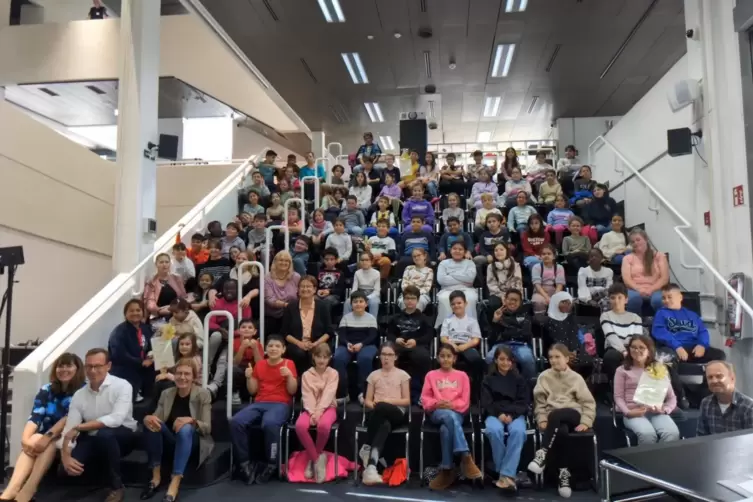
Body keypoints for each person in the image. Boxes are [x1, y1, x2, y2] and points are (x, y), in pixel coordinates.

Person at [2, 353, 85, 502]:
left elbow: (69, 419)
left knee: (49, 442)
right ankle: (11, 490)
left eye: (69, 365)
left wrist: (47, 437)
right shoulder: (47, 389)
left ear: (77, 369)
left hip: (71, 437)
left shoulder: (83, 390)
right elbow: (35, 416)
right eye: (61, 365)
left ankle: (28, 490)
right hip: (47, 435)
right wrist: (25, 439)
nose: (64, 369)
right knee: (34, 438)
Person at [61, 348, 138, 502]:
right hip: (93, 437)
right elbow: (70, 427)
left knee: (105, 434)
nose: (93, 370)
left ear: (108, 366)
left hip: (123, 435)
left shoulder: (122, 386)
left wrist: (80, 428)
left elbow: (116, 419)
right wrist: (65, 455)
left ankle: (117, 486)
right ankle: (101, 478)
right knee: (64, 471)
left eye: (98, 366)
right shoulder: (79, 394)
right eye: (89, 366)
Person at [528, 344, 596, 499]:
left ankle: (543, 453)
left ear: (566, 358)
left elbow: (588, 403)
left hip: (573, 414)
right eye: (551, 357)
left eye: (557, 357)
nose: (553, 360)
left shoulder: (576, 378)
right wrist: (541, 418)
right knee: (562, 430)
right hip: (554, 419)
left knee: (557, 416)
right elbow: (539, 403)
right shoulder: (544, 377)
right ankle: (564, 474)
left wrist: (586, 421)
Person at [141, 358, 213, 502]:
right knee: (152, 423)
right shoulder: (167, 393)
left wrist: (191, 420)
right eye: (179, 373)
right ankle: (155, 477)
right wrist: (147, 418)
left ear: (193, 377)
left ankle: (175, 481)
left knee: (185, 428)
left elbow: (207, 428)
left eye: (187, 374)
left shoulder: (202, 394)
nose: (182, 377)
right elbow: (157, 417)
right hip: (171, 438)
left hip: (193, 440)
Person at [230, 336, 297, 484]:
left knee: (270, 424)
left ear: (283, 350)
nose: (273, 349)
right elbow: (253, 391)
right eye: (270, 346)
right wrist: (249, 378)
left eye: (277, 346)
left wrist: (290, 376)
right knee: (236, 421)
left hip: (280, 404)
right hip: (259, 403)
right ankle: (244, 464)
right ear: (265, 349)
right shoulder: (259, 364)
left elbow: (292, 391)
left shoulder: (288, 363)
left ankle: (272, 464)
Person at [421, 344, 481, 490]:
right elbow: (425, 398)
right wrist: (437, 403)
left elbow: (465, 402)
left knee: (446, 429)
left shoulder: (462, 376)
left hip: (456, 413)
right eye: (442, 356)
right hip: (437, 412)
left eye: (449, 356)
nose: (446, 359)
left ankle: (447, 470)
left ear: (454, 358)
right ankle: (465, 456)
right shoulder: (431, 375)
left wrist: (451, 405)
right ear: (437, 358)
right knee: (447, 417)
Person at [359, 342, 411, 486]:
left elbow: (406, 401)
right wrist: (374, 405)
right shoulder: (373, 375)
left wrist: (388, 401)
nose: (386, 358)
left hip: (397, 413)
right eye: (383, 355)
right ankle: (371, 467)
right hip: (378, 413)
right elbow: (368, 401)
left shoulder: (403, 375)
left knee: (382, 406)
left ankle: (367, 446)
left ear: (396, 357)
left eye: (389, 355)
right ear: (379, 356)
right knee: (384, 425)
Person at [613, 336, 680, 445]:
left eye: (641, 348)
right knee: (648, 435)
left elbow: (672, 398)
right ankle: (645, 462)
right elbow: (618, 397)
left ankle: (660, 461)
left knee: (672, 433)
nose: (637, 351)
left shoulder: (659, 369)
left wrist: (665, 410)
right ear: (629, 350)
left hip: (656, 411)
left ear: (649, 351)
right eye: (633, 347)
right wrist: (628, 412)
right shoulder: (622, 370)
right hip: (633, 412)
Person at [481, 345, 529, 492]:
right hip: (495, 413)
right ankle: (508, 475)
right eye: (502, 359)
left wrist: (512, 415)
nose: (505, 363)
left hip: (514, 413)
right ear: (495, 360)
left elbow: (523, 402)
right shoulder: (487, 380)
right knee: (494, 430)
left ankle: (504, 475)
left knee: (519, 432)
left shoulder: (519, 379)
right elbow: (486, 402)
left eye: (509, 360)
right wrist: (499, 414)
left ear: (512, 362)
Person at [294, 344, 339, 483]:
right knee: (300, 426)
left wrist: (319, 411)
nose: (321, 360)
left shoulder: (333, 373)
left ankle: (313, 459)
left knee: (324, 426)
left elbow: (328, 393)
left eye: (325, 357)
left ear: (329, 359)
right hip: (310, 408)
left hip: (328, 407)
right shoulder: (307, 374)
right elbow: (307, 395)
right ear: (313, 357)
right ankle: (317, 460)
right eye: (319, 356)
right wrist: (313, 412)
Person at [653, 283, 726, 364]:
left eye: (669, 297)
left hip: (693, 348)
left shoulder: (693, 315)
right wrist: (677, 347)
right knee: (668, 357)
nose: (666, 300)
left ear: (680, 297)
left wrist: (702, 345)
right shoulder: (661, 313)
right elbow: (659, 332)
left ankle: (709, 375)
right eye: (663, 298)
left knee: (719, 355)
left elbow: (702, 331)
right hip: (673, 347)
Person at [387, 285, 434, 400]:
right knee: (386, 355)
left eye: (413, 298)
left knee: (423, 357)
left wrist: (416, 341)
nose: (410, 301)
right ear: (403, 300)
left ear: (417, 300)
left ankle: (424, 393)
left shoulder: (424, 318)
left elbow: (429, 335)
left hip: (417, 346)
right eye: (407, 298)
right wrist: (396, 339)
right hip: (399, 345)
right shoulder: (396, 317)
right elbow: (389, 333)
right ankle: (388, 389)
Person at [282, 275, 334, 377]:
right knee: (298, 353)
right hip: (297, 343)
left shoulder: (323, 306)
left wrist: (316, 343)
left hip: (317, 342)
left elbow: (329, 331)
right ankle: (297, 384)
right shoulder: (291, 307)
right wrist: (299, 343)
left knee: (316, 353)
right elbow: (285, 332)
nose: (305, 289)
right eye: (302, 286)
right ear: (298, 289)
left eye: (308, 286)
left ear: (314, 289)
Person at [333, 291, 379, 403]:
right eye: (355, 302)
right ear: (351, 304)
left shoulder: (371, 318)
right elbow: (342, 335)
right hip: (347, 345)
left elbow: (373, 336)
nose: (358, 304)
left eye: (360, 301)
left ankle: (364, 392)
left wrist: (361, 344)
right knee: (338, 358)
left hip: (367, 345)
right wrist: (347, 343)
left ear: (366, 304)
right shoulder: (346, 318)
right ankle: (343, 393)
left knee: (365, 358)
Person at [108, 299, 154, 402]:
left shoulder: (146, 328)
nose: (135, 313)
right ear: (125, 314)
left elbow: (151, 345)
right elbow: (119, 355)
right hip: (124, 370)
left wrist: (151, 356)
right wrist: (141, 362)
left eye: (138, 310)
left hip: (143, 368)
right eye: (131, 311)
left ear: (143, 312)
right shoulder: (119, 332)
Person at [487, 290, 537, 379]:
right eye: (510, 299)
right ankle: (492, 384)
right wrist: (495, 321)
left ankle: (529, 386)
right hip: (501, 345)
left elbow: (526, 334)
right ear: (505, 300)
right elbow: (492, 338)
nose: (512, 302)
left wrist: (506, 330)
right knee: (489, 357)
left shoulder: (525, 314)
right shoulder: (498, 314)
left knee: (527, 359)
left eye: (516, 300)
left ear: (520, 302)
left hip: (520, 345)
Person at [600, 283, 646, 380]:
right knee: (611, 357)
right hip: (614, 348)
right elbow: (611, 336)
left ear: (626, 300)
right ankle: (615, 388)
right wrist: (624, 351)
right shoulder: (605, 316)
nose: (616, 301)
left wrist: (631, 350)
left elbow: (637, 337)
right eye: (613, 298)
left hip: (632, 348)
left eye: (619, 297)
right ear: (609, 300)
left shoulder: (635, 317)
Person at [542, 292, 594, 377]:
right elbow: (553, 341)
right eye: (564, 302)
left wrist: (574, 352)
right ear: (556, 303)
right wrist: (566, 354)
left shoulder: (571, 318)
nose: (567, 305)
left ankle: (578, 385)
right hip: (555, 353)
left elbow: (574, 336)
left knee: (587, 361)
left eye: (569, 303)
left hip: (572, 351)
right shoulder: (548, 322)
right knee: (563, 362)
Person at [439, 291, 484, 387]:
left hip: (467, 345)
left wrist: (464, 346)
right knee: (445, 358)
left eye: (459, 303)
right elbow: (443, 338)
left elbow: (476, 339)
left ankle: (475, 386)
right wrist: (453, 345)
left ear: (466, 303)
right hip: (451, 346)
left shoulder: (472, 321)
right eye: (453, 304)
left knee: (476, 360)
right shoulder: (447, 320)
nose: (456, 306)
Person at [697, 361, 753, 436]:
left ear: (732, 378)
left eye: (719, 376)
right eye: (710, 377)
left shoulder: (749, 407)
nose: (714, 381)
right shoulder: (705, 403)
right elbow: (701, 437)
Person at [621, 228, 668, 314]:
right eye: (632, 242)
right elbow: (627, 280)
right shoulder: (627, 258)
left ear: (646, 239)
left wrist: (651, 289)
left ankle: (660, 324)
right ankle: (634, 324)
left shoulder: (659, 256)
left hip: (656, 288)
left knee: (658, 300)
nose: (635, 243)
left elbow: (664, 278)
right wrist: (639, 289)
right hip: (634, 289)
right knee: (634, 300)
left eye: (638, 240)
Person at [436, 241, 478, 327]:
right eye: (454, 249)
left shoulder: (470, 263)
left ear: (465, 252)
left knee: (470, 298)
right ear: (450, 250)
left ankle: (470, 327)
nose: (457, 251)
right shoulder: (443, 263)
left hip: (467, 289)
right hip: (447, 290)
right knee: (444, 298)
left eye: (460, 249)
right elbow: (441, 280)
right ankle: (445, 328)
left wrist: (451, 274)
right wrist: (463, 277)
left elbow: (470, 279)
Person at [264, 251, 301, 335]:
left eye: (287, 261)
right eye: (281, 260)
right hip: (272, 316)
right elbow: (270, 300)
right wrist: (287, 305)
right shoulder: (267, 278)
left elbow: (300, 294)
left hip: (292, 314)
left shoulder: (296, 277)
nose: (284, 263)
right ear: (275, 262)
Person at [144, 253, 188, 321]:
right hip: (160, 314)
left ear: (170, 264)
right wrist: (158, 311)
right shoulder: (152, 282)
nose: (164, 264)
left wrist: (178, 309)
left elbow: (183, 297)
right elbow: (150, 301)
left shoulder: (177, 278)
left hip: (177, 312)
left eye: (167, 262)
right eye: (161, 262)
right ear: (156, 264)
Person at [531, 244, 565, 314]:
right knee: (538, 301)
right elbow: (537, 285)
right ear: (540, 256)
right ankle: (540, 321)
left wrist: (554, 298)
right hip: (540, 292)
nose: (546, 256)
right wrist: (546, 297)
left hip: (556, 292)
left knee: (563, 301)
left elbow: (559, 285)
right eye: (543, 254)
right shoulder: (536, 267)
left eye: (549, 254)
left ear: (554, 256)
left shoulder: (559, 267)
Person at [487, 242, 523, 308]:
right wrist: (502, 296)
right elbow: (491, 284)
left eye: (501, 249)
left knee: (515, 302)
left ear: (507, 251)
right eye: (496, 250)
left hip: (514, 293)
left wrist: (508, 297)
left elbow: (517, 283)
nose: (498, 252)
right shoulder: (490, 267)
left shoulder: (515, 265)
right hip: (497, 294)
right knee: (493, 303)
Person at [345, 252, 381, 317]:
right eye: (362, 260)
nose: (364, 262)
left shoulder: (377, 273)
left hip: (372, 295)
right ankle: (345, 323)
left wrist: (367, 298)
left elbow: (377, 291)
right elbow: (354, 289)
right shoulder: (357, 273)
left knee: (374, 302)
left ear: (371, 262)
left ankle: (372, 323)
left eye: (367, 260)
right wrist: (355, 297)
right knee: (348, 301)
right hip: (359, 293)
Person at [397, 248, 433, 312]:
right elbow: (404, 284)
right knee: (403, 301)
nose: (416, 258)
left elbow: (427, 288)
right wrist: (410, 294)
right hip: (407, 293)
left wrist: (415, 294)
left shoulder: (429, 271)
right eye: (414, 256)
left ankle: (416, 320)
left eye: (419, 255)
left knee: (418, 301)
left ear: (424, 256)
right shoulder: (408, 268)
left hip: (422, 295)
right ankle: (405, 320)